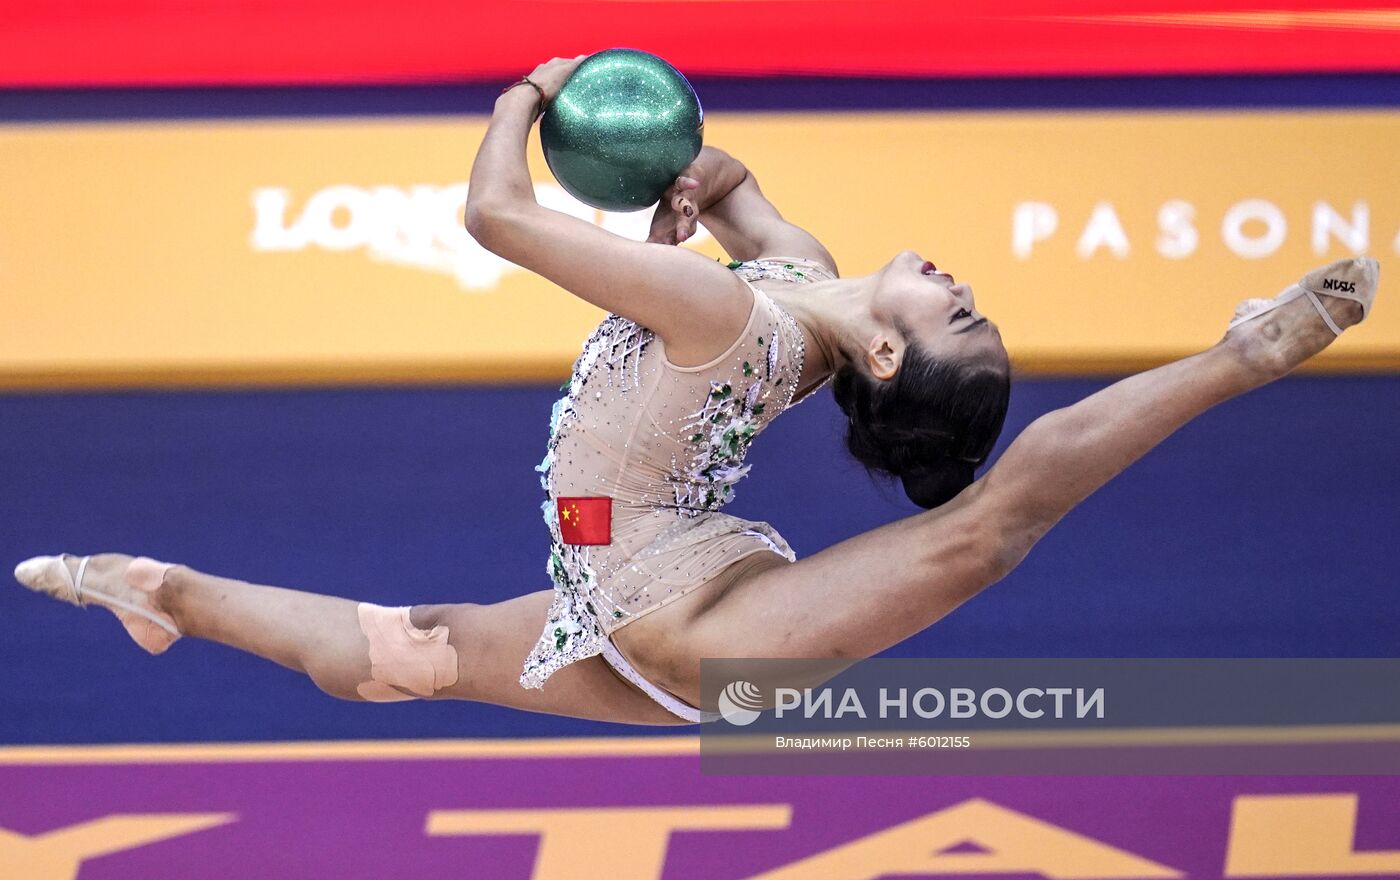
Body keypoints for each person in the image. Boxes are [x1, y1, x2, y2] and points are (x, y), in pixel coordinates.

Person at [13, 57, 1381, 726]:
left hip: (690, 622)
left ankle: (1242, 356)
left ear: (893, 357)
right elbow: (740, 195)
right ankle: (166, 594)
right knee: (403, 652)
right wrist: (684, 173)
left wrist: (532, 95)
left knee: (990, 535)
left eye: (956, 309)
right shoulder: (800, 286)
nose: (959, 275)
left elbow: (494, 218)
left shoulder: (732, 311)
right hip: (633, 585)